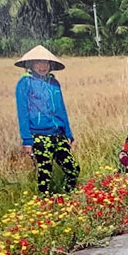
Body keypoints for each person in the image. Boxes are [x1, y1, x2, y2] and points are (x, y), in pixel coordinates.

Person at [14, 45, 80, 197]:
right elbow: (22, 112)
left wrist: (69, 134)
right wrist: (27, 140)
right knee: (45, 173)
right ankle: (45, 205)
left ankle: (67, 198)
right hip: (39, 135)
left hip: (59, 134)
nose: (42, 66)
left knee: (73, 169)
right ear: (31, 65)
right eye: (38, 63)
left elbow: (61, 109)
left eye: (46, 63)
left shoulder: (54, 83)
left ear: (50, 65)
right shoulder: (25, 83)